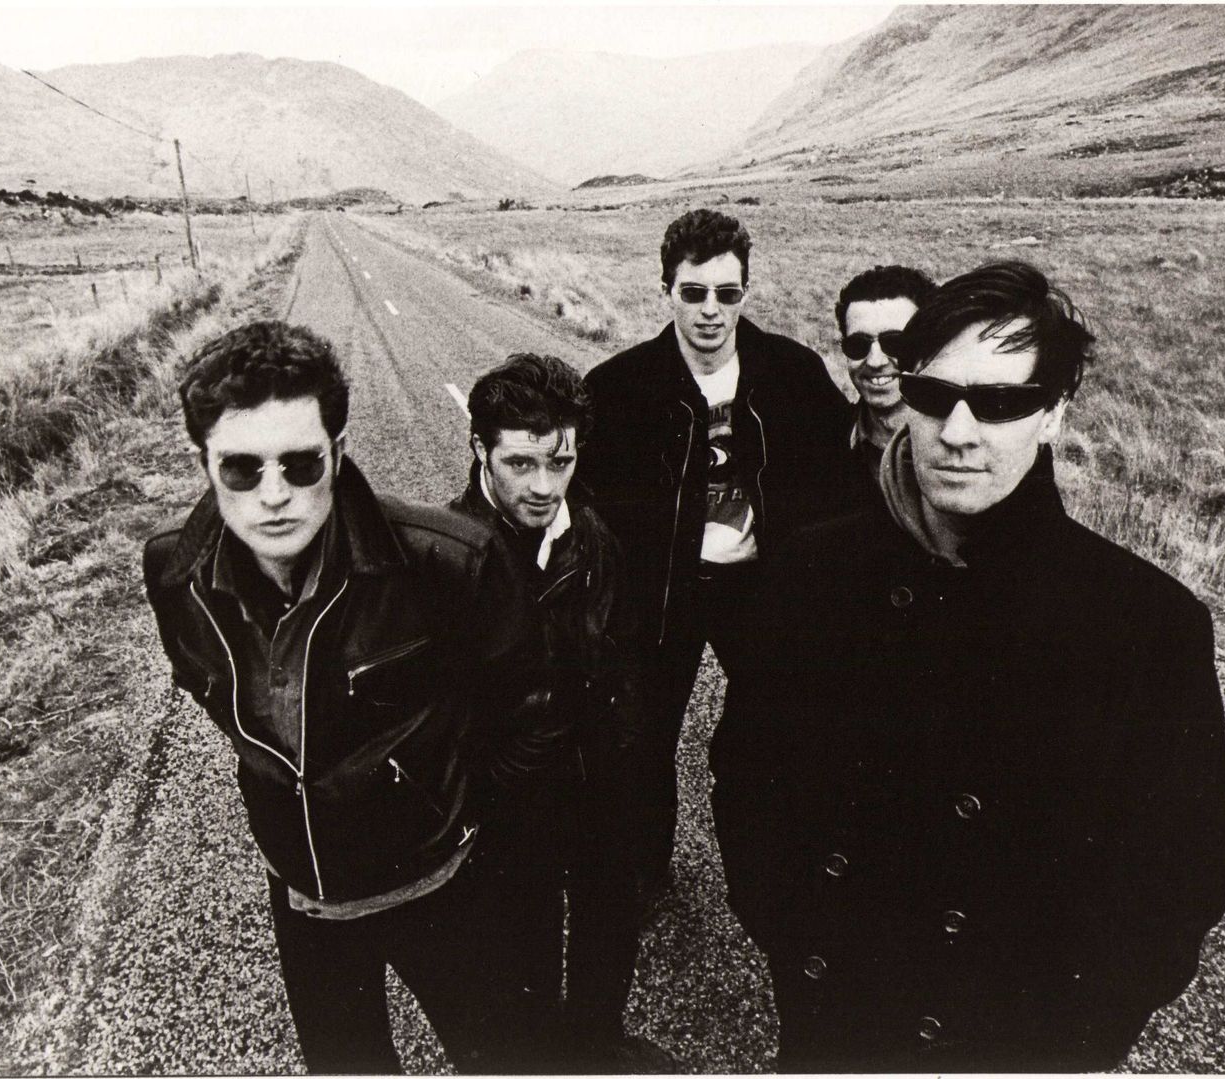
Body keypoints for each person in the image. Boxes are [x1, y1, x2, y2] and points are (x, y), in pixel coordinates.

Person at [712, 261, 1225, 1071]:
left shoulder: (1143, 625)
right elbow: (747, 772)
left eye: (997, 402)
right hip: (836, 1029)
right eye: (934, 395)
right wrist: (789, 928)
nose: (957, 431)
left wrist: (1076, 1033)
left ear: (1054, 412)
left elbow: (1177, 873)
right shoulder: (811, 575)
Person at [141, 321, 565, 1073]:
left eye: (301, 464)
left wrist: (451, 813)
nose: (275, 495)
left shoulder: (446, 560)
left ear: (336, 453)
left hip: (441, 887)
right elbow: (213, 695)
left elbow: (530, 716)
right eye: (241, 469)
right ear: (203, 462)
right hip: (304, 897)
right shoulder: (175, 571)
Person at [577, 208, 854, 899]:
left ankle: (784, 874)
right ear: (666, 290)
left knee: (781, 730)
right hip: (663, 590)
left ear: (746, 292)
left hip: (760, 589)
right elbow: (577, 494)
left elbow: (844, 472)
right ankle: (644, 874)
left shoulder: (792, 373)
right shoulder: (619, 386)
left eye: (727, 294)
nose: (710, 310)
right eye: (693, 292)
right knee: (644, 738)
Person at [448, 352, 674, 1072]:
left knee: (611, 915)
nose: (544, 486)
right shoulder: (451, 555)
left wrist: (626, 753)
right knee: (526, 945)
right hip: (515, 800)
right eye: (520, 463)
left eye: (561, 461)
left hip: (601, 779)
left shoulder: (595, 536)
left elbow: (624, 651)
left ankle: (597, 1041)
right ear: (480, 449)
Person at [833, 263, 937, 503]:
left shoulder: (963, 443)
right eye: (858, 345)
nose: (875, 361)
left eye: (895, 343)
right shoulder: (825, 446)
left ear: (931, 344)